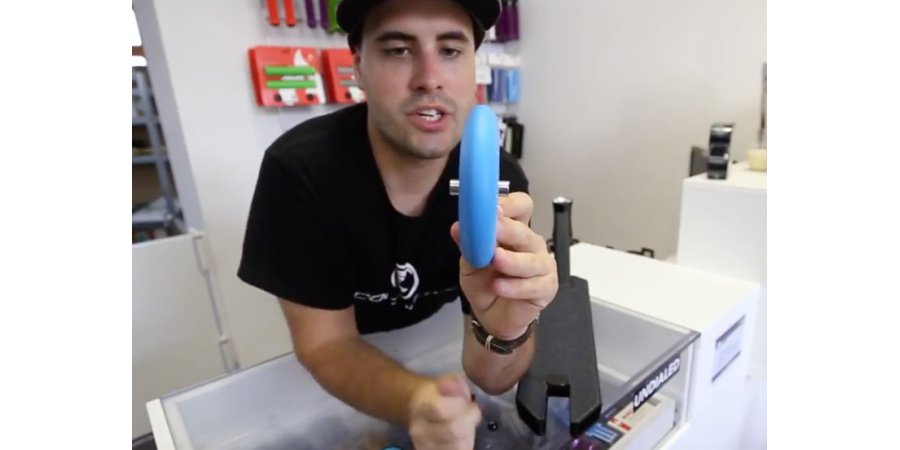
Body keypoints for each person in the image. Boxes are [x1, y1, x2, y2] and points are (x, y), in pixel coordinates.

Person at [237, 0, 558, 447]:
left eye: (450, 50)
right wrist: (416, 401)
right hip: (333, 370)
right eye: (398, 50)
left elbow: (492, 378)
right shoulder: (300, 172)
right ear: (358, 67)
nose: (430, 78)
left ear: (473, 68)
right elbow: (326, 344)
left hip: (434, 344)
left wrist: (506, 329)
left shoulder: (499, 182)